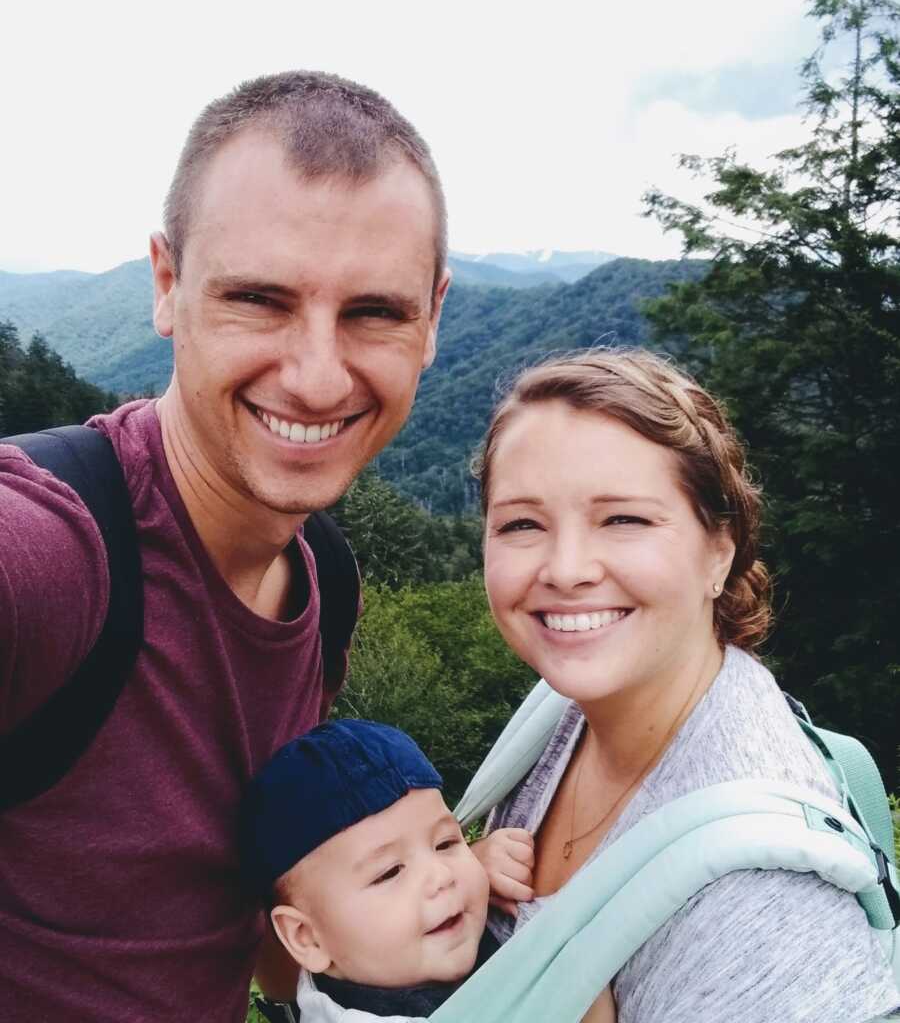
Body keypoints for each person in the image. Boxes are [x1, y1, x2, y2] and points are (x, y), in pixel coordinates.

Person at [0, 71, 450, 1022]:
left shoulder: (323, 572)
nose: (319, 377)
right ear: (167, 286)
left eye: (374, 312)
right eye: (259, 299)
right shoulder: (59, 556)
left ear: (434, 319)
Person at [474, 348, 899, 1023]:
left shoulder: (762, 909)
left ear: (719, 551)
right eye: (522, 523)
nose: (566, 568)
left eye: (625, 519)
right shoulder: (564, 714)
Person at [241, 718, 574, 1022]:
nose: (442, 876)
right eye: (389, 872)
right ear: (307, 937)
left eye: (446, 843)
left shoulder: (366, 959)